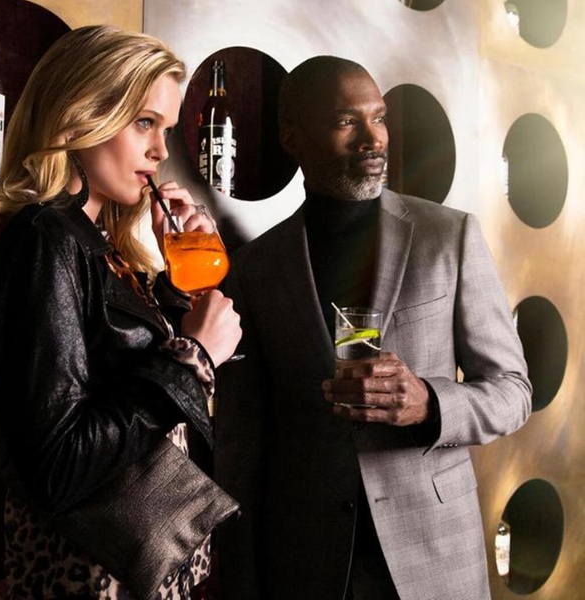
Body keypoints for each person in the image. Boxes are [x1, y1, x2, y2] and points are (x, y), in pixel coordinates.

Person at [214, 55, 532, 600]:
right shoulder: (254, 269)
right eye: (347, 121)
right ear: (292, 137)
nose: (373, 139)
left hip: (434, 559)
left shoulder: (448, 237)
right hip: (305, 565)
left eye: (379, 117)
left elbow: (514, 392)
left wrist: (430, 404)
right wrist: (240, 578)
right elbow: (242, 443)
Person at [0, 25, 242, 600]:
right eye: (144, 122)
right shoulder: (45, 236)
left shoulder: (97, 243)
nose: (161, 152)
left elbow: (123, 378)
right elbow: (59, 465)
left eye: (166, 130)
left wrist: (179, 285)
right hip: (88, 580)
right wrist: (194, 357)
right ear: (80, 117)